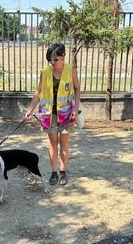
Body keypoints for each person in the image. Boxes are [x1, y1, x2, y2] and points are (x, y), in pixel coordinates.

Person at [24, 43, 81, 186]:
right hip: (49, 114)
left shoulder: (71, 70)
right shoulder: (45, 72)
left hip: (67, 114)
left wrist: (76, 110)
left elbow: (77, 89)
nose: (52, 62)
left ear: (63, 56)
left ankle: (63, 172)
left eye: (55, 59)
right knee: (53, 144)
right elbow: (38, 92)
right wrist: (30, 109)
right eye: (50, 59)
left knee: (64, 144)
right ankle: (54, 172)